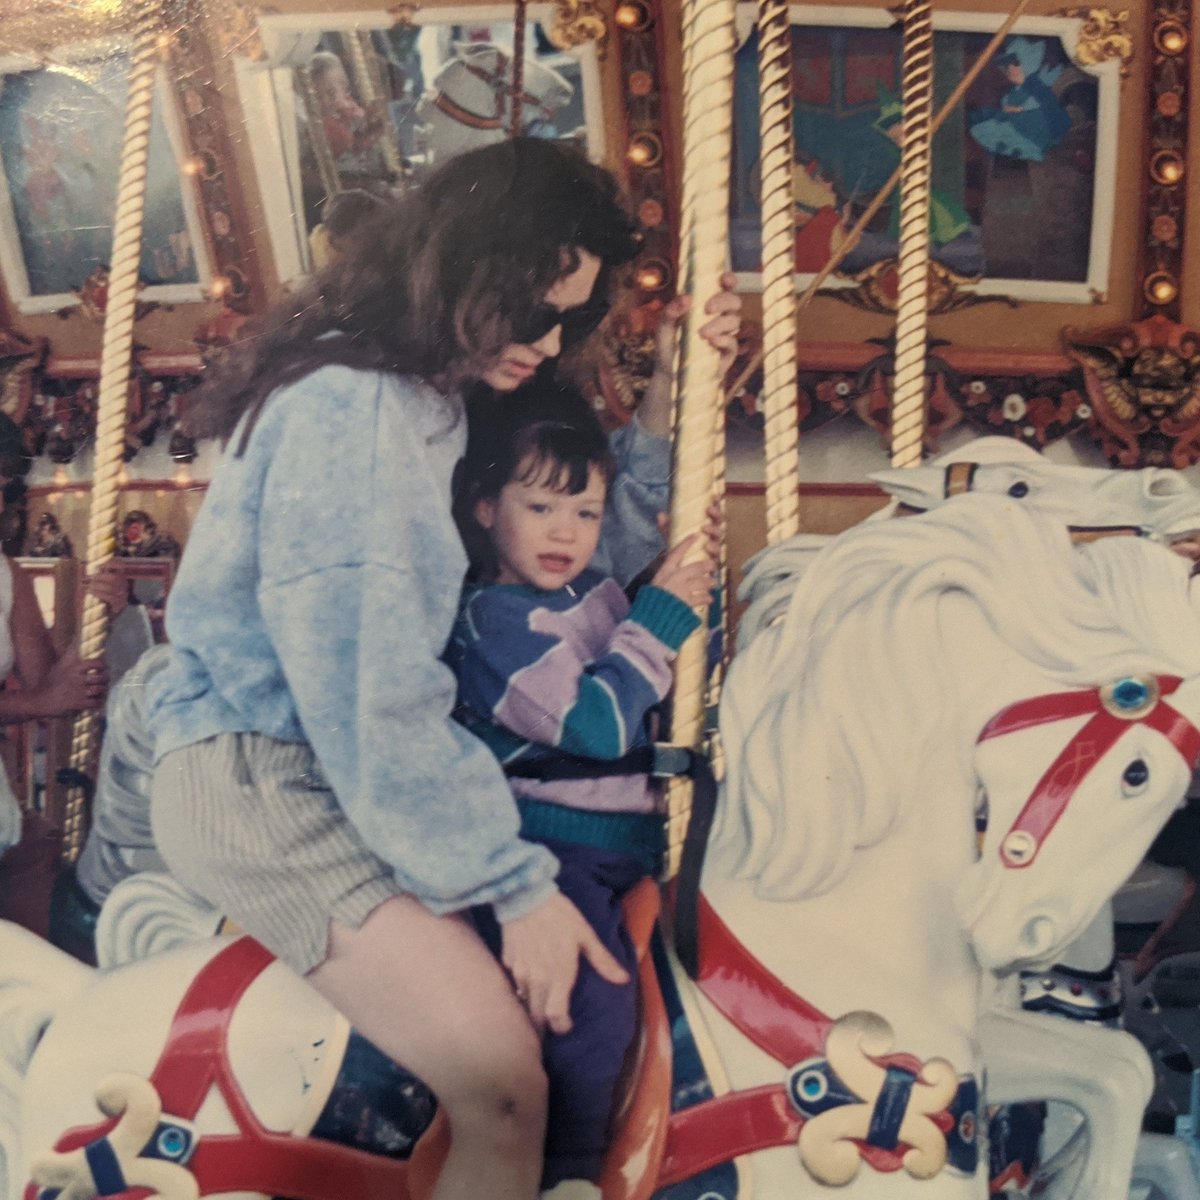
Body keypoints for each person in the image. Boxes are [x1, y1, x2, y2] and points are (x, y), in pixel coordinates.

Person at [145, 136, 739, 1200]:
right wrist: (515, 889)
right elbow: (371, 691)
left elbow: (561, 546)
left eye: (568, 317)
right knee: (505, 1081)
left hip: (332, 770)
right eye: (533, 308)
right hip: (268, 780)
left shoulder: (423, 398)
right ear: (469, 273)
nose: (548, 340)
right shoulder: (355, 408)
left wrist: (677, 398)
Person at [448, 387, 716, 1199]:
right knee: (591, 997)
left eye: (585, 514)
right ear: (488, 507)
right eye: (540, 507)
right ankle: (565, 1170)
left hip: (623, 843)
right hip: (552, 849)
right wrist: (661, 619)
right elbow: (595, 724)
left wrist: (675, 387)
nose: (567, 532)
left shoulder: (589, 593)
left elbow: (637, 499)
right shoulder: (494, 624)